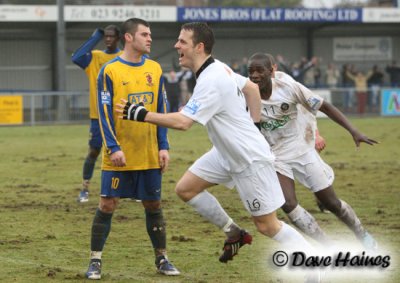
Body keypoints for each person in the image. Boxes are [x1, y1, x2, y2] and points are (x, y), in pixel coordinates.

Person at [116, 22, 317, 266]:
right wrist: (254, 126)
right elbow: (252, 89)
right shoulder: (217, 67)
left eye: (182, 42)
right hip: (225, 153)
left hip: (248, 159)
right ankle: (234, 233)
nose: (176, 45)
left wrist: (139, 113)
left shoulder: (211, 78)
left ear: (199, 47)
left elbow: (182, 123)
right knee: (186, 189)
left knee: (267, 225)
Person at [246, 53, 378, 250]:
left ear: (272, 71)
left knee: (331, 203)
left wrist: (353, 130)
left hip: (301, 149)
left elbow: (325, 106)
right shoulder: (246, 92)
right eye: (251, 72)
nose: (255, 75)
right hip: (274, 155)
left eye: (260, 70)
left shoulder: (289, 87)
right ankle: (327, 245)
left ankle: (362, 234)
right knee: (288, 204)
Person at [84, 18, 180, 280]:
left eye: (150, 34)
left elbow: (160, 109)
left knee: (153, 203)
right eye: (145, 34)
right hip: (118, 154)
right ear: (129, 37)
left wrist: (163, 145)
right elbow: (104, 114)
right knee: (107, 204)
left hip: (148, 152)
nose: (150, 38)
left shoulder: (155, 68)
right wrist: (113, 147)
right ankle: (95, 261)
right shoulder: (110, 70)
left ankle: (162, 258)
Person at [71, 25, 122, 203]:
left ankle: (129, 189)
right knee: (94, 151)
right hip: (98, 117)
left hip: (119, 116)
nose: (108, 39)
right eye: (105, 36)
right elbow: (76, 57)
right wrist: (95, 37)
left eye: (111, 36)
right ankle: (84, 189)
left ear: (118, 38)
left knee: (126, 151)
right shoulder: (95, 57)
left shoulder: (124, 58)